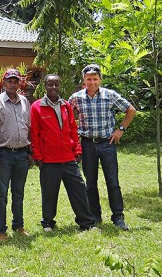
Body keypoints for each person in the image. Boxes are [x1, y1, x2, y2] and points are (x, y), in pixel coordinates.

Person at [68, 64, 136, 231]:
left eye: (95, 79)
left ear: (100, 79)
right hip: (87, 144)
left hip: (107, 144)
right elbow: (67, 114)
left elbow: (131, 110)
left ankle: (118, 217)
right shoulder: (76, 98)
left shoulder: (110, 95)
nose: (92, 82)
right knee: (90, 183)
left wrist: (120, 130)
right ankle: (95, 215)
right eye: (89, 79)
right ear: (84, 80)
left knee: (113, 182)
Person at [30, 74, 98, 232]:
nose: (53, 88)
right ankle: (48, 222)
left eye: (56, 85)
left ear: (59, 86)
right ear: (44, 86)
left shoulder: (66, 106)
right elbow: (35, 134)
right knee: (49, 193)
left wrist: (77, 149)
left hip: (68, 158)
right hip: (49, 160)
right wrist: (38, 156)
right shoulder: (37, 107)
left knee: (79, 191)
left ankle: (86, 222)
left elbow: (73, 130)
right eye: (50, 85)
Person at [0, 69, 32, 241]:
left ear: (20, 83)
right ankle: (0, 230)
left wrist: (29, 151)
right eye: (9, 81)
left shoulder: (24, 102)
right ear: (4, 83)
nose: (13, 84)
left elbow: (27, 127)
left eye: (16, 81)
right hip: (4, 154)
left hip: (22, 154)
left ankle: (18, 225)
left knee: (18, 193)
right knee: (1, 194)